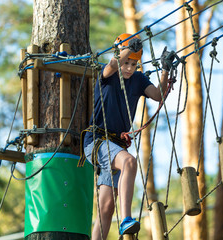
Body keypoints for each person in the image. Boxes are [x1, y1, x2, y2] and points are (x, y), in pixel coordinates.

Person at [82, 33, 175, 240]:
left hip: (115, 147)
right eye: (127, 63)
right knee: (130, 163)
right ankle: (126, 219)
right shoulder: (107, 75)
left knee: (106, 207)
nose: (129, 68)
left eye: (134, 64)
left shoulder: (139, 79)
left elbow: (159, 95)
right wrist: (126, 51)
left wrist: (165, 70)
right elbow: (114, 63)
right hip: (96, 142)